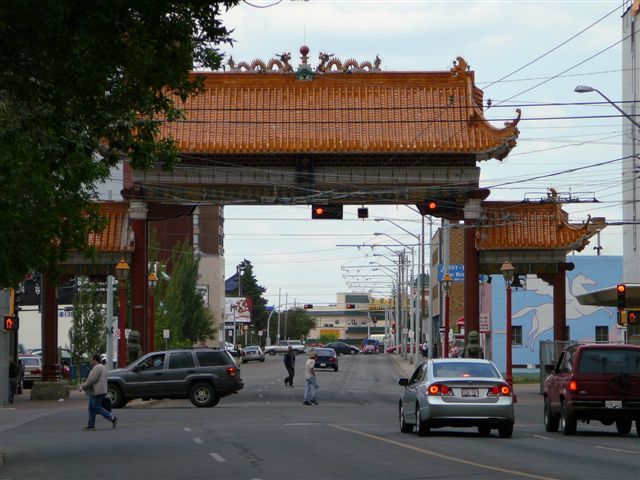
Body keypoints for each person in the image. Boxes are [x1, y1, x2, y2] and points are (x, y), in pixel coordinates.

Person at [79, 353, 117, 430]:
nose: (90, 361)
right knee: (91, 408)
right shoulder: (103, 367)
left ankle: (112, 418)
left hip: (96, 390)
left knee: (96, 407)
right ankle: (91, 425)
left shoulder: (97, 367)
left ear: (95, 360)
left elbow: (91, 379)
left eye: (91, 359)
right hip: (101, 390)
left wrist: (83, 387)